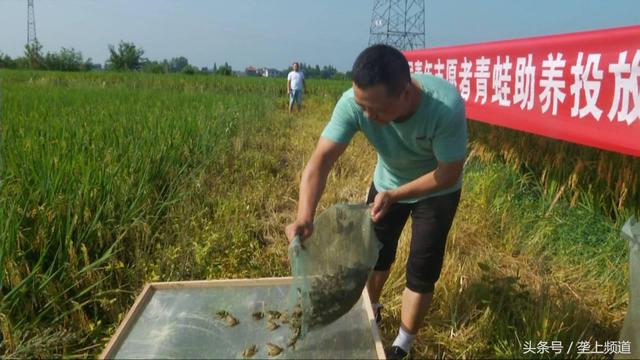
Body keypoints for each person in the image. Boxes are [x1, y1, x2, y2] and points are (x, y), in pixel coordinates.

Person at [284, 44, 467, 359]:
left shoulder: (445, 107)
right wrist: (305, 215)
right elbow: (320, 162)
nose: (367, 115)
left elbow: (448, 173)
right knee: (375, 257)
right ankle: (372, 314)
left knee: (422, 267)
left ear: (406, 94)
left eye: (377, 110)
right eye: (362, 106)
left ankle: (403, 345)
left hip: (436, 191)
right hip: (387, 183)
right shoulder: (355, 103)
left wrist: (397, 195)